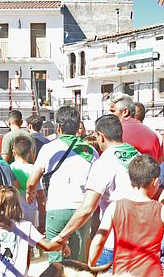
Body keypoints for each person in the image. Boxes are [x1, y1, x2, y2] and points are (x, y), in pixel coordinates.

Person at [89, 155, 164, 277]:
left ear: (131, 179)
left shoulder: (114, 207)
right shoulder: (161, 210)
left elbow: (98, 241)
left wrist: (90, 266)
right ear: (156, 182)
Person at [55, 114, 139, 267]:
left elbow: (87, 208)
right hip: (142, 242)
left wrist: (63, 235)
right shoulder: (138, 156)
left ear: (100, 136)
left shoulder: (105, 162)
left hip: (115, 242)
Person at [26, 106, 97, 262]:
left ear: (58, 127)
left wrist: (29, 192)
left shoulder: (49, 149)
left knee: (56, 261)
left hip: (56, 209)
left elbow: (32, 180)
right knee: (78, 263)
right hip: (82, 210)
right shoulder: (91, 151)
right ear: (78, 126)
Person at [108, 92, 162, 161]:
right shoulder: (153, 135)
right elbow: (160, 163)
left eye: (113, 111)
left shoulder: (114, 133)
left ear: (125, 112)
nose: (109, 115)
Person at [10, 135, 45, 230]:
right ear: (30, 153)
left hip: (14, 211)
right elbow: (41, 196)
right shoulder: (34, 170)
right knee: (30, 242)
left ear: (13, 152)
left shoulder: (10, 168)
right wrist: (42, 218)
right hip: (31, 211)